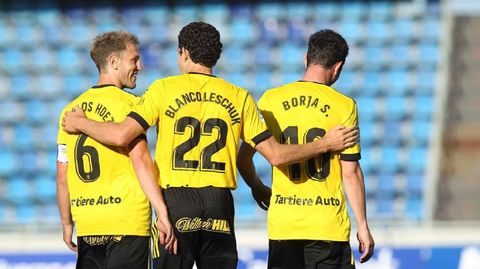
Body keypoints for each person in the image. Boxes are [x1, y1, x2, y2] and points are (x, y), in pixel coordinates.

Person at [61, 22, 359, 269]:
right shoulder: (238, 96)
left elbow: (122, 135)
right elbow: (277, 155)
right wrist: (325, 144)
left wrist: (81, 123)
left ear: (184, 53)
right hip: (219, 204)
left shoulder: (164, 89)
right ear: (216, 56)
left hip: (176, 202)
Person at [237, 29, 375, 269]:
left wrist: (257, 187)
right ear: (338, 66)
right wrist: (362, 225)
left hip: (284, 225)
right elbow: (350, 173)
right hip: (327, 226)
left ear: (305, 59)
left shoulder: (270, 101)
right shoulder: (344, 106)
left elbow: (243, 159)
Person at [56, 31, 175, 269]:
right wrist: (162, 211)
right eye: (134, 60)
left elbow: (62, 176)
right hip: (127, 221)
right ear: (113, 62)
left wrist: (67, 223)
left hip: (88, 223)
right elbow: (140, 159)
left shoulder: (69, 111)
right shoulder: (131, 105)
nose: (139, 66)